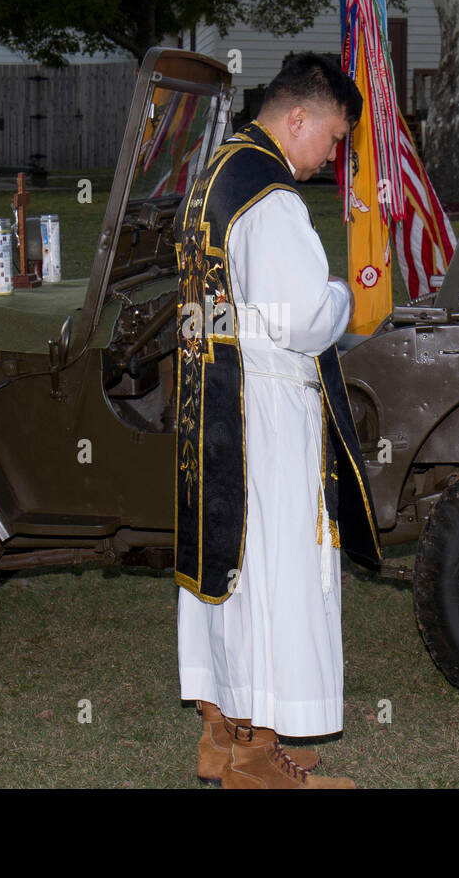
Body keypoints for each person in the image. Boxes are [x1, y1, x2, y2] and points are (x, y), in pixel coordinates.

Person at [173, 53, 382, 789]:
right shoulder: (273, 197)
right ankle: (258, 760)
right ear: (297, 118)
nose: (330, 159)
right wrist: (339, 295)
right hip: (263, 406)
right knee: (273, 569)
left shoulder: (218, 171)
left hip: (214, 396)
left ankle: (222, 737)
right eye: (330, 139)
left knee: (225, 567)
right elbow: (300, 319)